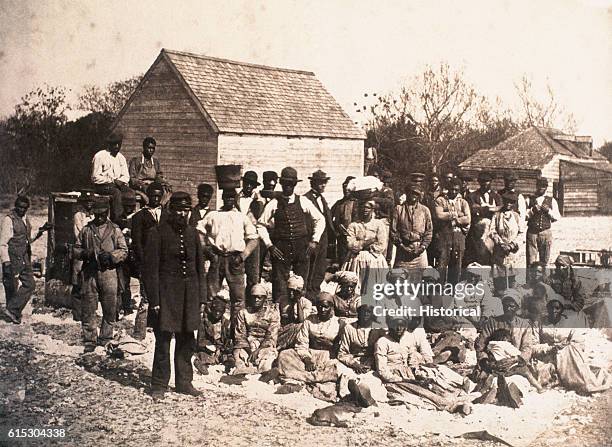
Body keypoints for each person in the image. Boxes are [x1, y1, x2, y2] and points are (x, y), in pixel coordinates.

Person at [142, 192, 206, 399]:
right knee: (163, 341)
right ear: (170, 210)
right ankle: (159, 385)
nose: (182, 214)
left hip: (190, 295)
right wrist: (155, 300)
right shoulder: (157, 233)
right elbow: (150, 270)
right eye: (178, 209)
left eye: (186, 210)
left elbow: (199, 268)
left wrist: (202, 298)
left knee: (187, 340)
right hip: (167, 296)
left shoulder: (193, 234)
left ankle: (184, 383)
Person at [257, 167, 325, 318]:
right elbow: (260, 225)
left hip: (302, 248)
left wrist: (314, 241)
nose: (288, 186)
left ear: (295, 185)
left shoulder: (304, 201)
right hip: (281, 248)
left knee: (301, 284)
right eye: (285, 183)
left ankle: (301, 317)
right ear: (281, 183)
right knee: (280, 283)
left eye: (291, 184)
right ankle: (280, 318)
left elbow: (320, 219)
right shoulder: (274, 203)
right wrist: (270, 245)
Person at [197, 188, 259, 333]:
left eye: (232, 197)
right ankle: (208, 332)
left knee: (238, 298)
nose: (229, 200)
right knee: (211, 295)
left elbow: (254, 238)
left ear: (235, 199)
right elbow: (199, 230)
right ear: (223, 198)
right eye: (227, 197)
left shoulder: (242, 217)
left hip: (235, 260)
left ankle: (235, 332)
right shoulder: (213, 215)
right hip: (217, 258)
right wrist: (206, 249)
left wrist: (243, 256)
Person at [73, 198, 128, 352]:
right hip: (90, 273)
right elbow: (75, 249)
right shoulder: (87, 230)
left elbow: (124, 251)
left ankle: (105, 337)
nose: (99, 217)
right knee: (89, 307)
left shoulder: (115, 230)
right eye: (96, 214)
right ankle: (89, 339)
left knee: (110, 308)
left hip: (109, 273)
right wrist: (85, 253)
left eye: (102, 214)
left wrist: (111, 256)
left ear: (107, 212)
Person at [1, 196, 50, 324]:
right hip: (12, 258)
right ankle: (12, 314)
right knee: (11, 286)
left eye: (24, 208)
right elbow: (3, 243)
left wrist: (41, 231)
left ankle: (12, 310)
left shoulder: (25, 219)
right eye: (19, 207)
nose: (21, 210)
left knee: (30, 284)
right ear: (15, 206)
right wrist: (6, 261)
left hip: (24, 257)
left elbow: (28, 239)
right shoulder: (9, 220)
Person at [277, 292, 340, 383]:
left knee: (336, 368)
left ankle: (298, 377)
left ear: (331, 307)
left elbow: (342, 349)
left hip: (328, 357)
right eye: (319, 306)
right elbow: (302, 343)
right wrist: (307, 359)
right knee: (285, 354)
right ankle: (313, 378)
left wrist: (330, 345)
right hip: (309, 354)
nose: (322, 309)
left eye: (326, 307)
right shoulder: (309, 320)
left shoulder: (339, 323)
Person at [130, 182, 164, 338]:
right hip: (148, 263)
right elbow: (137, 242)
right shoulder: (139, 217)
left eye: (159, 195)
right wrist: (143, 264)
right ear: (148, 197)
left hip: (165, 263)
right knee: (146, 297)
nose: (156, 199)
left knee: (164, 296)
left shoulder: (167, 215)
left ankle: (162, 328)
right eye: (153, 196)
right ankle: (139, 333)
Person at [343, 197, 388, 297]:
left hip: (374, 259)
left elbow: (381, 245)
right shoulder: (353, 225)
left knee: (373, 287)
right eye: (363, 207)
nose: (365, 210)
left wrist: (362, 244)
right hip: (356, 258)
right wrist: (367, 242)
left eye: (368, 208)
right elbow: (350, 244)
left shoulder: (379, 224)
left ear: (373, 210)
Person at [233, 284, 281, 374]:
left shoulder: (272, 314)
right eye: (254, 297)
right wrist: (250, 351)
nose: (256, 300)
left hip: (265, 345)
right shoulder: (243, 313)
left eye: (259, 297)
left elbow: (271, 336)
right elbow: (240, 335)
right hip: (248, 344)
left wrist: (257, 351)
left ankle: (262, 373)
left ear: (265, 298)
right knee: (239, 355)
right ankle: (244, 372)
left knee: (268, 358)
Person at [390, 183, 432, 278]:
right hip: (403, 251)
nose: (413, 195)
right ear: (406, 193)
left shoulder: (425, 210)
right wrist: (402, 246)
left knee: (420, 281)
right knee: (399, 280)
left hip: (419, 252)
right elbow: (393, 231)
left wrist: (422, 248)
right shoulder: (398, 209)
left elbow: (429, 232)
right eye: (411, 193)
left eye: (416, 193)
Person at [304, 170, 335, 297]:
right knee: (310, 266)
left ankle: (315, 293)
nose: (323, 185)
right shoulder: (306, 199)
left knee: (320, 267)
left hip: (324, 239)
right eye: (320, 183)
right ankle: (307, 294)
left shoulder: (322, 199)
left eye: (324, 183)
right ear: (313, 183)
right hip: (312, 238)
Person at [434, 178, 471, 283]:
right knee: (442, 262)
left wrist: (454, 220)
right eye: (451, 189)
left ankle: (453, 289)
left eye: (456, 190)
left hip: (458, 236)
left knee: (457, 264)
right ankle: (440, 288)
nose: (453, 192)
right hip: (444, 236)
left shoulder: (463, 202)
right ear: (447, 189)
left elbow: (467, 219)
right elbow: (439, 215)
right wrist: (456, 214)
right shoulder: (440, 200)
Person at [90, 132, 130, 222]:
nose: (117, 146)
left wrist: (120, 181)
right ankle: (117, 219)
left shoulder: (121, 158)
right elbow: (95, 177)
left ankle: (128, 218)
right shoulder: (100, 156)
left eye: (119, 144)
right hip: (102, 186)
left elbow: (126, 176)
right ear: (109, 144)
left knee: (130, 193)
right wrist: (112, 180)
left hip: (118, 185)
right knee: (116, 193)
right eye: (114, 144)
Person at [525, 178, 560, 275]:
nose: (541, 188)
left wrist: (548, 211)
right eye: (539, 186)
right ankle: (530, 283)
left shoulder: (551, 200)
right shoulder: (529, 199)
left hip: (546, 232)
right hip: (532, 232)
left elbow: (557, 217)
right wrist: (532, 211)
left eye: (543, 186)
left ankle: (543, 282)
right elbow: (524, 216)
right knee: (531, 260)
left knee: (545, 260)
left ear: (546, 187)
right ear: (536, 186)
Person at [488, 191, 522, 293]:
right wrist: (501, 243)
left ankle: (511, 297)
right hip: (499, 251)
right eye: (507, 201)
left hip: (512, 252)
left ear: (514, 203)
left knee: (511, 279)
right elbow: (492, 231)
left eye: (511, 202)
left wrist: (512, 245)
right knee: (499, 279)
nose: (508, 204)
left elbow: (521, 233)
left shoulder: (516, 216)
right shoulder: (497, 215)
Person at [337, 304, 384, 373]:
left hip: (373, 363)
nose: (365, 314)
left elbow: (382, 352)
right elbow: (342, 353)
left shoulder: (379, 329)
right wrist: (354, 364)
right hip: (352, 361)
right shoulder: (349, 328)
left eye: (369, 312)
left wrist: (371, 364)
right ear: (358, 314)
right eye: (363, 311)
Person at [71, 190, 95, 322]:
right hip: (81, 250)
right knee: (78, 281)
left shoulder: (94, 215)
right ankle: (77, 313)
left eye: (91, 201)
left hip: (92, 251)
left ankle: (88, 311)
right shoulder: (78, 216)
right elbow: (81, 233)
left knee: (90, 281)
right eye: (87, 201)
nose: (89, 204)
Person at [238, 171, 263, 291]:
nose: (248, 186)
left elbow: (261, 219)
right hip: (238, 237)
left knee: (253, 271)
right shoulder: (235, 198)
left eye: (251, 184)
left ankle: (252, 298)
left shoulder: (259, 200)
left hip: (253, 238)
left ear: (254, 186)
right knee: (238, 269)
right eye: (247, 183)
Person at [194, 295, 232, 375]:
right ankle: (202, 365)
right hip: (209, 349)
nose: (217, 313)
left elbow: (228, 340)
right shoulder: (205, 322)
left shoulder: (226, 323)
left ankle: (228, 366)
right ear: (212, 310)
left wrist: (222, 348)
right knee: (202, 355)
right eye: (215, 311)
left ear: (223, 311)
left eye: (220, 311)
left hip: (221, 349)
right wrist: (211, 348)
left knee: (229, 358)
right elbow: (200, 340)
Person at [277, 274, 315, 350]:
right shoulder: (282, 300)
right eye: (289, 290)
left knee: (300, 326)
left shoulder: (306, 303)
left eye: (294, 291)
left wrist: (297, 301)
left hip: (295, 332)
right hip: (282, 330)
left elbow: (301, 320)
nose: (291, 294)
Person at [128, 137, 170, 203]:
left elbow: (159, 176)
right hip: (141, 187)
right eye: (149, 148)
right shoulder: (136, 161)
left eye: (153, 148)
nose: (151, 150)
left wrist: (164, 183)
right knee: (150, 196)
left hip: (153, 186)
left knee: (167, 192)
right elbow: (132, 179)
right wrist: (142, 185)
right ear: (144, 148)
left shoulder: (156, 162)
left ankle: (160, 209)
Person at [331, 176, 357, 265]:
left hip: (354, 240)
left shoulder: (358, 203)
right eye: (344, 186)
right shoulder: (338, 204)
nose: (346, 189)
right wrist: (337, 228)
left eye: (348, 187)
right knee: (342, 262)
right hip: (341, 239)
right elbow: (330, 218)